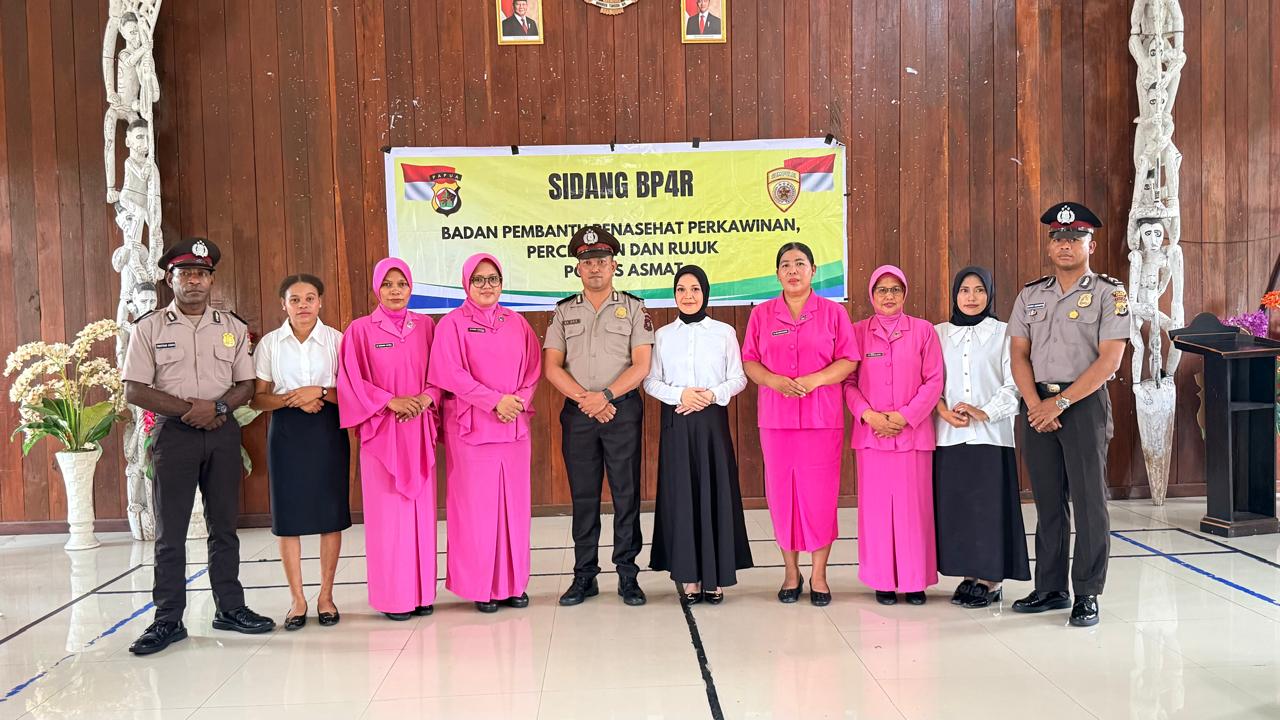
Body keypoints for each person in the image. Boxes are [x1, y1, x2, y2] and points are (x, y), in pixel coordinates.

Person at [123, 237, 274, 655]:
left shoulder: (233, 327)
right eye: (185, 273)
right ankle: (167, 620)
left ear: (211, 280)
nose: (194, 281)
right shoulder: (149, 328)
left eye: (201, 274)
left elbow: (246, 384)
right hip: (174, 436)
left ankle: (230, 607)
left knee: (224, 527)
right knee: (170, 533)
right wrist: (191, 409)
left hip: (223, 433)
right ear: (170, 279)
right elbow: (134, 389)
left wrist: (219, 407)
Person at [1008, 202, 1128, 627]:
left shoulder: (1109, 294)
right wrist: (1035, 403)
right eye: (1058, 238)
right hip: (1036, 406)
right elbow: (1018, 355)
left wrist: (1059, 403)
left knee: (1090, 501)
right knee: (1047, 502)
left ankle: (1088, 592)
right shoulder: (1030, 294)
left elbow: (1109, 360)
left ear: (1090, 244)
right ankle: (1051, 587)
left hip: (1082, 406)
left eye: (1074, 238)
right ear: (1049, 245)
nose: (1065, 245)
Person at [742, 242, 858, 607]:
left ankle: (819, 575)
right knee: (782, 498)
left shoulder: (833, 313)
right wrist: (773, 381)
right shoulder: (762, 314)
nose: (793, 270)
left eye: (800, 263)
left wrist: (817, 380)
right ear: (777, 273)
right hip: (776, 423)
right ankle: (791, 573)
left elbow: (849, 360)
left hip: (822, 421)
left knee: (820, 499)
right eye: (786, 265)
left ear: (813, 270)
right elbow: (750, 361)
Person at [543, 225, 654, 607]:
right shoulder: (563, 311)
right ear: (578, 268)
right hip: (579, 414)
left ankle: (627, 576)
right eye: (587, 262)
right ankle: (584, 576)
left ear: (614, 266)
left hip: (621, 411)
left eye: (601, 261)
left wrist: (605, 396)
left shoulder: (635, 308)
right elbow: (552, 367)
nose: (594, 268)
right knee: (584, 497)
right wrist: (586, 399)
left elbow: (641, 364)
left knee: (626, 496)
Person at [428, 254, 541, 613]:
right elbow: (451, 374)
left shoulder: (517, 322)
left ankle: (513, 584)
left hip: (513, 429)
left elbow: (533, 369)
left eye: (493, 278)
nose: (487, 285)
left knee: (514, 508)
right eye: (479, 280)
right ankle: (480, 586)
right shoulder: (451, 324)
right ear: (466, 284)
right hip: (472, 430)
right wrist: (494, 402)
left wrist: (518, 402)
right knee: (476, 511)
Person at [338, 258, 441, 621]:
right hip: (382, 431)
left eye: (402, 284)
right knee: (388, 517)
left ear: (411, 288)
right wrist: (390, 401)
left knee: (421, 513)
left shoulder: (427, 326)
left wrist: (427, 398)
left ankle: (423, 592)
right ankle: (395, 597)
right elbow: (351, 382)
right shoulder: (360, 330)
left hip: (419, 429)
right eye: (388, 285)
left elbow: (441, 371)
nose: (395, 291)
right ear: (376, 288)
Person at [644, 266, 752, 605]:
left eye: (694, 288)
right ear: (673, 294)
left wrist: (710, 395)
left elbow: (739, 378)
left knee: (712, 494)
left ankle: (714, 578)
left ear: (705, 292)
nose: (687, 295)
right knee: (682, 497)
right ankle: (689, 577)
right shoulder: (662, 336)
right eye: (680, 289)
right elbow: (650, 381)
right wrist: (681, 395)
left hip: (711, 424)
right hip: (676, 422)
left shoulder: (723, 332)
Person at [251, 273, 349, 630]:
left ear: (321, 302)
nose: (303, 305)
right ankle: (297, 600)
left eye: (310, 298)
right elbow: (258, 398)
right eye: (295, 299)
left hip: (328, 428)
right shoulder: (270, 344)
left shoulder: (338, 341)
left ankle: (326, 596)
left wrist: (319, 392)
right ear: (284, 305)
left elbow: (351, 393)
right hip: (286, 432)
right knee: (288, 518)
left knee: (330, 513)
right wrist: (295, 398)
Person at [845, 265, 944, 605]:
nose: (888, 296)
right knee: (876, 513)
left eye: (895, 289)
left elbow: (934, 381)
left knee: (912, 511)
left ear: (905, 294)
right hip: (872, 437)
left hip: (912, 436)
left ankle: (915, 581)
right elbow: (848, 382)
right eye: (881, 290)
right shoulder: (857, 332)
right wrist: (869, 415)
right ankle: (882, 580)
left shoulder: (924, 331)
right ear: (871, 295)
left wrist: (905, 417)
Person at [932, 267, 1030, 608]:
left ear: (990, 294)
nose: (971, 297)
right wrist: (943, 409)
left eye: (978, 290)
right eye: (964, 290)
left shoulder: (1005, 333)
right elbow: (930, 380)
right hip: (949, 435)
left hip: (992, 435)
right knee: (959, 509)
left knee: (989, 509)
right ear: (954, 295)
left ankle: (991, 579)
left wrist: (984, 411)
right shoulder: (938, 333)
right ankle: (968, 575)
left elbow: (1014, 381)